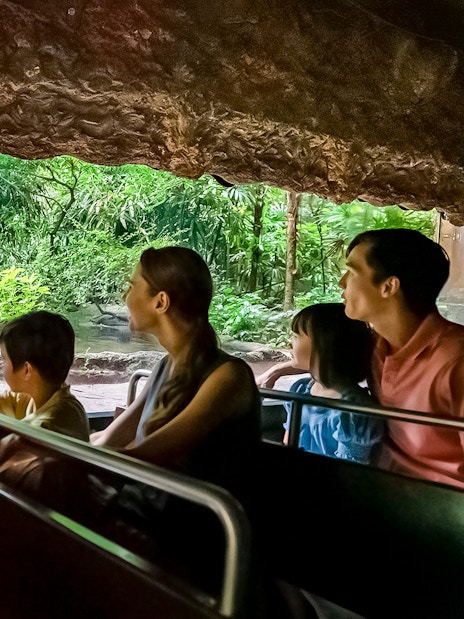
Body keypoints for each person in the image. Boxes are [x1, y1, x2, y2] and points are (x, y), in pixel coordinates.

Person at [91, 245, 262, 497]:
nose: (124, 297)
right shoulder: (166, 365)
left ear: (161, 301)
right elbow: (110, 438)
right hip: (149, 514)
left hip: (188, 527)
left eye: (132, 287)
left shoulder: (228, 377)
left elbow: (145, 457)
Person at [339, 228, 464, 488]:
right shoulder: (374, 347)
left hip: (442, 508)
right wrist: (279, 370)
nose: (342, 282)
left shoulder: (456, 361)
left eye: (352, 272)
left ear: (388, 286)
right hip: (383, 489)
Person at [282, 303, 384, 464]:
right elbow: (287, 446)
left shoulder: (353, 411)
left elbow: (348, 473)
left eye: (296, 336)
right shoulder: (300, 390)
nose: (290, 343)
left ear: (323, 344)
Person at [0, 310, 89, 441]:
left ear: (26, 370)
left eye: (4, 359)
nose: (2, 365)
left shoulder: (51, 426)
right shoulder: (36, 395)